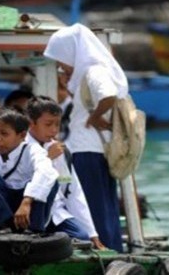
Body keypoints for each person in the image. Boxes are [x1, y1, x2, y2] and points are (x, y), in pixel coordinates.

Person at [43, 23, 128, 252]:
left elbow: (108, 95)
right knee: (102, 206)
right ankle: (112, 251)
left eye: (61, 59)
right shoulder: (89, 70)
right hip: (89, 150)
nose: (60, 66)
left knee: (92, 207)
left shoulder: (93, 70)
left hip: (87, 151)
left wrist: (94, 117)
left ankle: (104, 253)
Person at [25, 96, 104, 249]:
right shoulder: (19, 146)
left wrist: (92, 233)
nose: (54, 130)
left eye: (57, 124)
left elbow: (73, 192)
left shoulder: (60, 151)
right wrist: (48, 159)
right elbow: (16, 182)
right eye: (48, 124)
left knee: (82, 238)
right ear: (31, 123)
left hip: (56, 213)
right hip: (28, 212)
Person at [0, 108, 59, 233]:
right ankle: (4, 227)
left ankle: (32, 230)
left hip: (29, 212)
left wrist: (26, 202)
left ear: (22, 135)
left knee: (50, 179)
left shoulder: (33, 151)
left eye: (4, 134)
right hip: (3, 216)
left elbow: (46, 172)